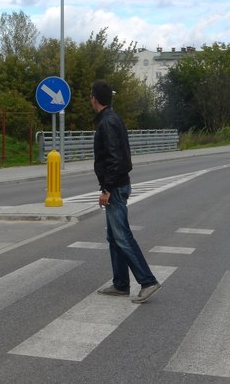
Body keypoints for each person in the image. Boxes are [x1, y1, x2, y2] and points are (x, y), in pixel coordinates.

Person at [90, 80, 160, 304]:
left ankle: (147, 281)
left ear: (94, 98)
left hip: (116, 187)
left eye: (90, 96)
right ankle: (121, 284)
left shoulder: (108, 122)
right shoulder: (112, 118)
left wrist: (107, 189)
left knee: (122, 236)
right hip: (117, 185)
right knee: (114, 236)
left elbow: (115, 158)